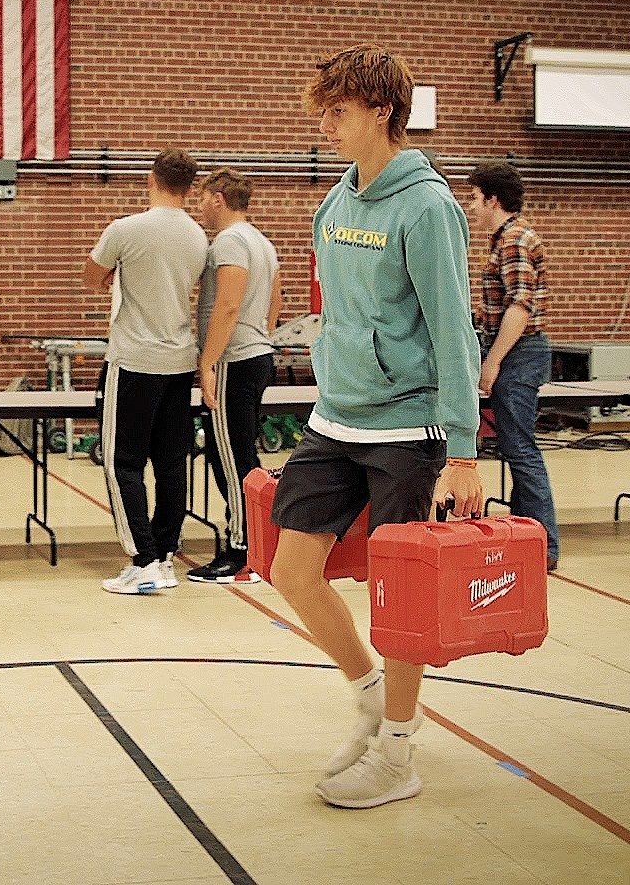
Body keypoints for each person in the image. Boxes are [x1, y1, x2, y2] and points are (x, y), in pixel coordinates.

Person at [268, 45, 482, 809]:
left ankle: (397, 752)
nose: (325, 126)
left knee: (399, 597)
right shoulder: (336, 201)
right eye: (323, 112)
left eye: (339, 112)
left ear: (383, 111)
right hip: (336, 418)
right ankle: (370, 696)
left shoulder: (427, 207)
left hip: (407, 428)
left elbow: (453, 329)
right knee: (291, 571)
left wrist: (464, 451)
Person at [85, 148, 209, 595]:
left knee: (122, 462)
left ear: (151, 179)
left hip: (134, 360)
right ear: (190, 187)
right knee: (172, 463)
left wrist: (116, 273)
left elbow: (90, 277)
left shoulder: (125, 229)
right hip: (179, 362)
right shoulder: (199, 237)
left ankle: (143, 560)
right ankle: (165, 554)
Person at [186, 166, 279, 585]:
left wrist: (208, 363)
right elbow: (275, 300)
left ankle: (243, 550)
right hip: (255, 355)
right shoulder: (261, 242)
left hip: (233, 361)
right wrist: (260, 336)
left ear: (218, 199)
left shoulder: (229, 242)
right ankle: (258, 542)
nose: (200, 207)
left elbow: (227, 305)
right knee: (241, 454)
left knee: (231, 459)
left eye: (203, 199)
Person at [467, 162, 559, 571]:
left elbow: (519, 308)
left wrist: (492, 363)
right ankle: (528, 537)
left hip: (518, 353)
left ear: (493, 199)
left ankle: (544, 545)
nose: (471, 206)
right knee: (515, 447)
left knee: (521, 449)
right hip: (515, 352)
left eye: (474, 198)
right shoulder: (506, 239)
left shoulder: (514, 240)